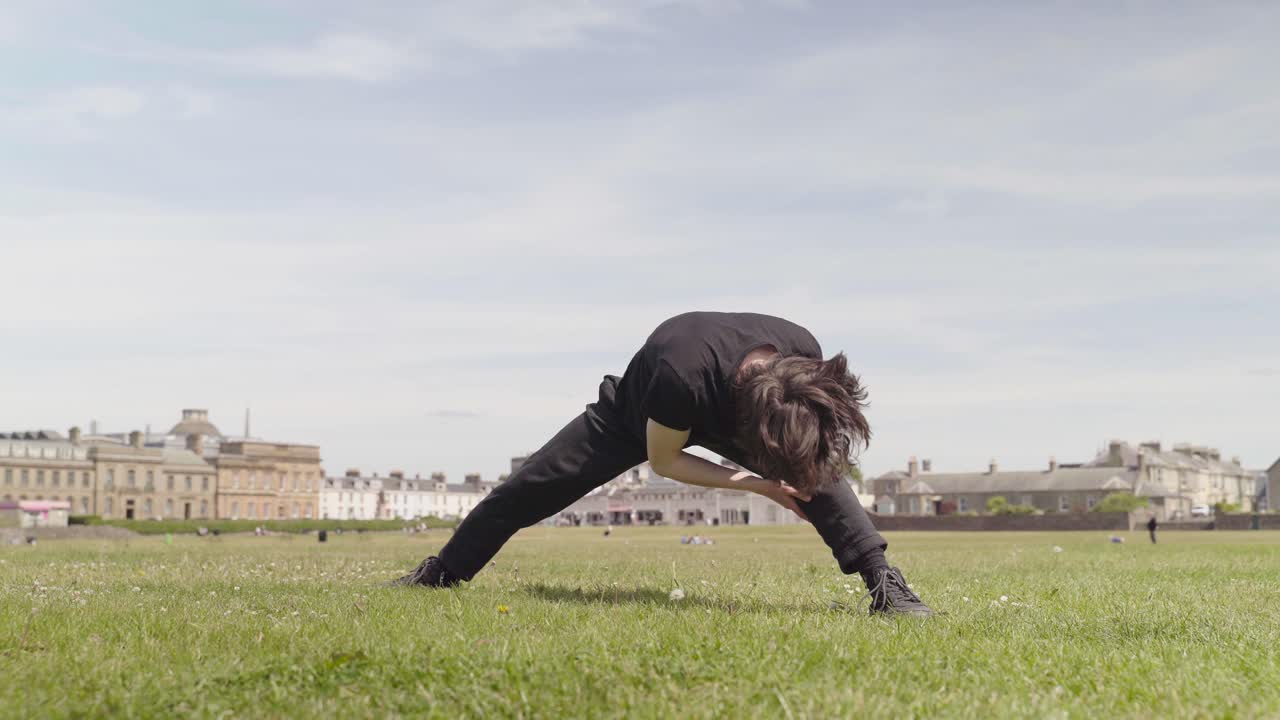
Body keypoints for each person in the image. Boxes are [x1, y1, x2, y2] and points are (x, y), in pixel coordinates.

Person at [390, 311, 932, 616]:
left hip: (746, 404)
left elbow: (805, 444)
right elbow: (665, 461)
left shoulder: (802, 351)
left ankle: (885, 585)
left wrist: (798, 469)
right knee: (527, 489)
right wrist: (760, 485)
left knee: (818, 477)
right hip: (633, 419)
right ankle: (442, 572)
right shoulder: (682, 373)